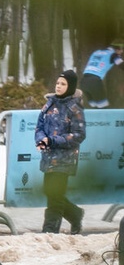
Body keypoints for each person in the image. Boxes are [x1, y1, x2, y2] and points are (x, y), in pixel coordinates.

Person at [34, 69, 86, 234]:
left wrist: (53, 140)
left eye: (63, 84)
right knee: (50, 191)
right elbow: (39, 126)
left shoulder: (75, 107)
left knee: (55, 198)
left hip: (65, 159)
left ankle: (49, 233)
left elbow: (79, 135)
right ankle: (75, 214)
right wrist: (41, 139)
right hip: (49, 157)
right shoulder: (50, 103)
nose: (58, 86)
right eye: (57, 83)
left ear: (70, 86)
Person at [79, 41, 124, 109]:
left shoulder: (96, 52)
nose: (121, 52)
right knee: (103, 109)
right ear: (118, 49)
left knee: (95, 108)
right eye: (122, 50)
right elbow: (121, 65)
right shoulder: (113, 54)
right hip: (94, 82)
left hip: (83, 82)